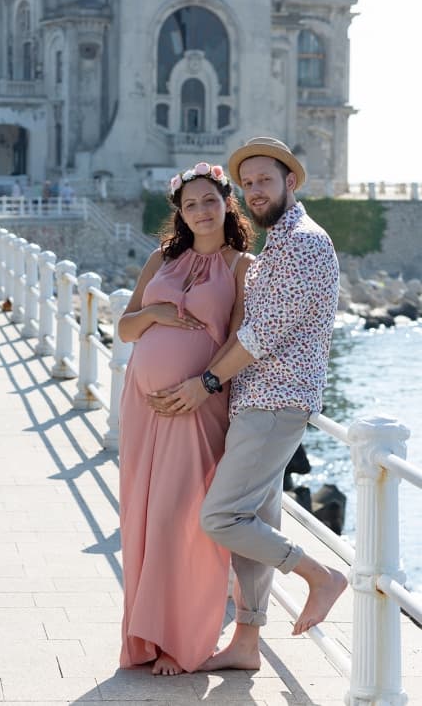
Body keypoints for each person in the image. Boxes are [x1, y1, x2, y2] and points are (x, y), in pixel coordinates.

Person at [149, 137, 347, 672]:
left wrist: (203, 384)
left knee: (220, 516)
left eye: (266, 179)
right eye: (249, 183)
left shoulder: (303, 242)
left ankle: (320, 575)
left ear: (291, 182)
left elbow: (261, 336)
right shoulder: (276, 244)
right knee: (255, 517)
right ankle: (246, 643)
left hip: (276, 402)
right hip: (254, 400)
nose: (257, 190)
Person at [118, 161, 255, 675]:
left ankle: (181, 639)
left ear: (227, 204)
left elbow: (239, 341)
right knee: (142, 514)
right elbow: (125, 329)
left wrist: (202, 388)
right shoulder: (160, 259)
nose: (201, 210)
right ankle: (145, 637)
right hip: (141, 406)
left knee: (181, 519)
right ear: (179, 211)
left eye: (210, 201)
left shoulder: (242, 267)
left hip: (196, 406)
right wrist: (154, 314)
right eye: (190, 203)